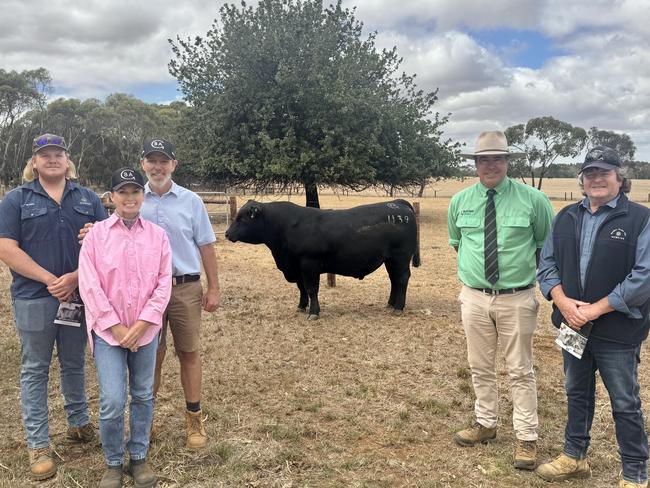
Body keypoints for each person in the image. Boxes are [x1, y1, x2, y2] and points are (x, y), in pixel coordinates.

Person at [536, 146, 650, 488]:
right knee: (576, 391)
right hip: (572, 327)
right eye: (590, 173)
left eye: (604, 172)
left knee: (624, 401)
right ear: (582, 180)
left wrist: (595, 309)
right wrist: (563, 302)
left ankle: (634, 472)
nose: (596, 178)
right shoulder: (566, 216)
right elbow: (547, 264)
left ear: (620, 178)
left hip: (618, 330)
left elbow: (644, 276)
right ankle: (574, 457)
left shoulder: (641, 219)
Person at [0, 133, 107, 480]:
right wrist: (51, 279)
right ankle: (39, 443)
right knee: (35, 368)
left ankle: (78, 423)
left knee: (75, 362)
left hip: (78, 295)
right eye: (44, 154)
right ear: (33, 162)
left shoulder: (88, 198)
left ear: (67, 160)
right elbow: (6, 248)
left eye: (58, 153)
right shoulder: (15, 200)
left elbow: (108, 243)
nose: (52, 159)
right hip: (34, 297)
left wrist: (76, 276)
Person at [447, 130, 554, 469]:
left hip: (517, 298)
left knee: (520, 369)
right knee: (480, 366)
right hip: (475, 298)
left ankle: (526, 437)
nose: (490, 164)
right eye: (483, 159)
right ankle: (486, 424)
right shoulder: (459, 202)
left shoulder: (533, 200)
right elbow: (457, 244)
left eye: (497, 158)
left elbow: (544, 248)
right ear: (475, 164)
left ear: (508, 161)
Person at [79, 167, 171, 488]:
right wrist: (118, 329)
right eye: (123, 192)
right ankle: (114, 462)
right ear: (112, 197)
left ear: (142, 196)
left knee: (143, 394)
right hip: (109, 333)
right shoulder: (96, 236)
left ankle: (139, 457)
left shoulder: (158, 236)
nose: (129, 198)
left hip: (145, 331)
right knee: (113, 399)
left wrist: (143, 323)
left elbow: (163, 285)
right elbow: (89, 285)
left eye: (135, 192)